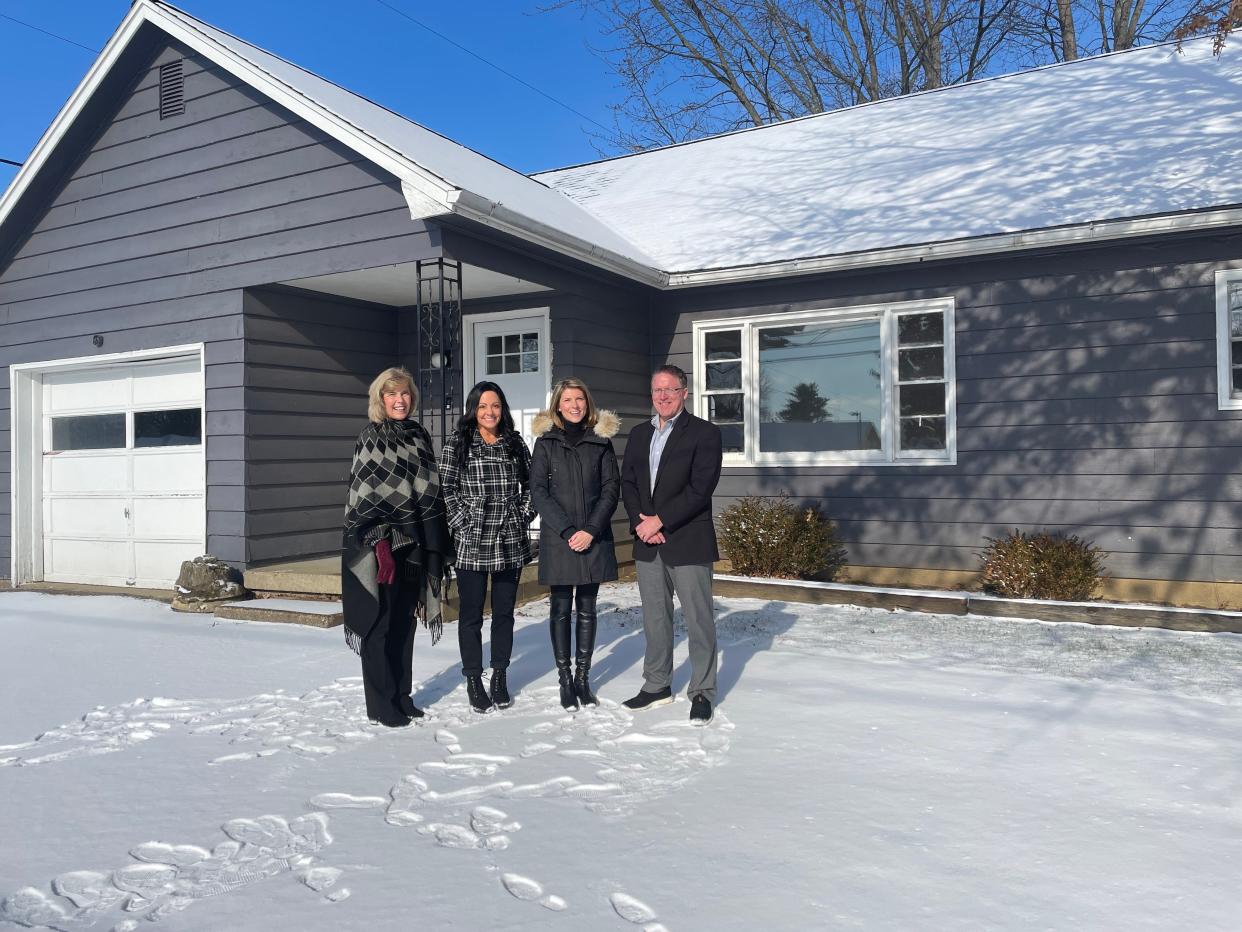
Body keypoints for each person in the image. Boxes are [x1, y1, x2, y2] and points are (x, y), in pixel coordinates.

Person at [342, 367, 451, 728]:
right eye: (392, 394)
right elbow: (363, 497)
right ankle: (380, 703)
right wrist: (377, 540)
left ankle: (402, 697)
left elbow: (428, 491)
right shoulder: (370, 438)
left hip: (414, 546)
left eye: (404, 394)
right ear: (380, 399)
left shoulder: (419, 435)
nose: (399, 400)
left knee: (405, 625)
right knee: (381, 625)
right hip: (383, 548)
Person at [620, 364, 723, 726]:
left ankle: (702, 691)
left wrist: (659, 520)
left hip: (688, 540)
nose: (663, 396)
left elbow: (700, 488)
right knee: (655, 618)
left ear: (685, 393)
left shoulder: (705, 434)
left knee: (698, 619)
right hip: (649, 542)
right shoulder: (637, 434)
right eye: (657, 390)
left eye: (670, 389)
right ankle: (657, 685)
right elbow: (628, 483)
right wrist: (640, 523)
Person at [439, 381, 536, 713]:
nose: (490, 412)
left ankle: (500, 675)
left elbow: (533, 485)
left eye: (495, 406)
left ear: (503, 409)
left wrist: (522, 517)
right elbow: (446, 488)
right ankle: (473, 678)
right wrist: (463, 522)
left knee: (504, 613)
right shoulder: (458, 444)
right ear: (473, 410)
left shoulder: (514, 443)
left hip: (510, 537)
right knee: (470, 615)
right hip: (472, 539)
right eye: (483, 406)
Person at [530, 378, 621, 710]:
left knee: (586, 609)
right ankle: (565, 679)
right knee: (559, 609)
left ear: (587, 403)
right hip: (560, 539)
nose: (574, 405)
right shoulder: (546, 443)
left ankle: (583, 678)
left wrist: (591, 530)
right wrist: (569, 530)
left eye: (579, 398)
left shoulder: (601, 441)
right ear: (558, 404)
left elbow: (611, 489)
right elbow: (538, 491)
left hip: (593, 538)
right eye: (567, 399)